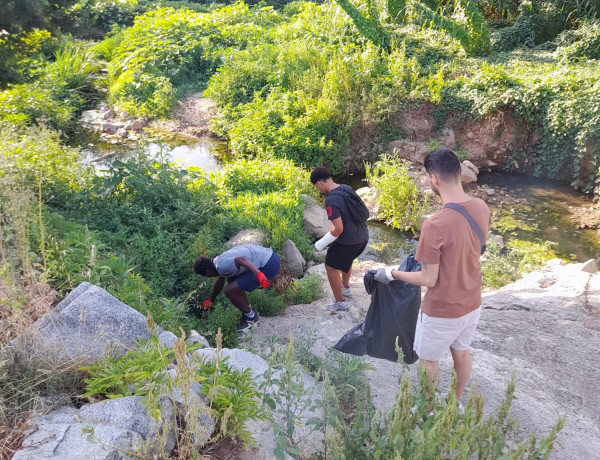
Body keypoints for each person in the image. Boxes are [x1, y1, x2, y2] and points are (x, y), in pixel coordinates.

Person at [375, 149, 490, 413]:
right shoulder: (481, 208)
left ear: (434, 179)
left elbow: (428, 278)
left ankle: (427, 411)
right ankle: (455, 403)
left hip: (443, 309)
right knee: (461, 351)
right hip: (472, 302)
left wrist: (392, 273)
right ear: (459, 173)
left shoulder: (435, 224)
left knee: (429, 361)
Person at [310, 167, 369, 311]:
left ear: (319, 183)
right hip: (363, 236)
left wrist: (320, 244)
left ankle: (340, 302)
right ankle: (345, 287)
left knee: (330, 266)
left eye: (316, 187)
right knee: (346, 260)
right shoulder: (347, 188)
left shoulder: (331, 200)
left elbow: (338, 229)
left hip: (349, 240)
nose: (318, 189)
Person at [194, 245, 280, 332]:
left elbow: (242, 260)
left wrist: (259, 274)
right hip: (271, 256)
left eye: (206, 276)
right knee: (232, 279)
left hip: (268, 265)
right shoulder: (218, 261)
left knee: (229, 290)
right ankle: (250, 310)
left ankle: (251, 317)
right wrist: (210, 300)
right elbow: (220, 283)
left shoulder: (222, 265)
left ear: (207, 272)